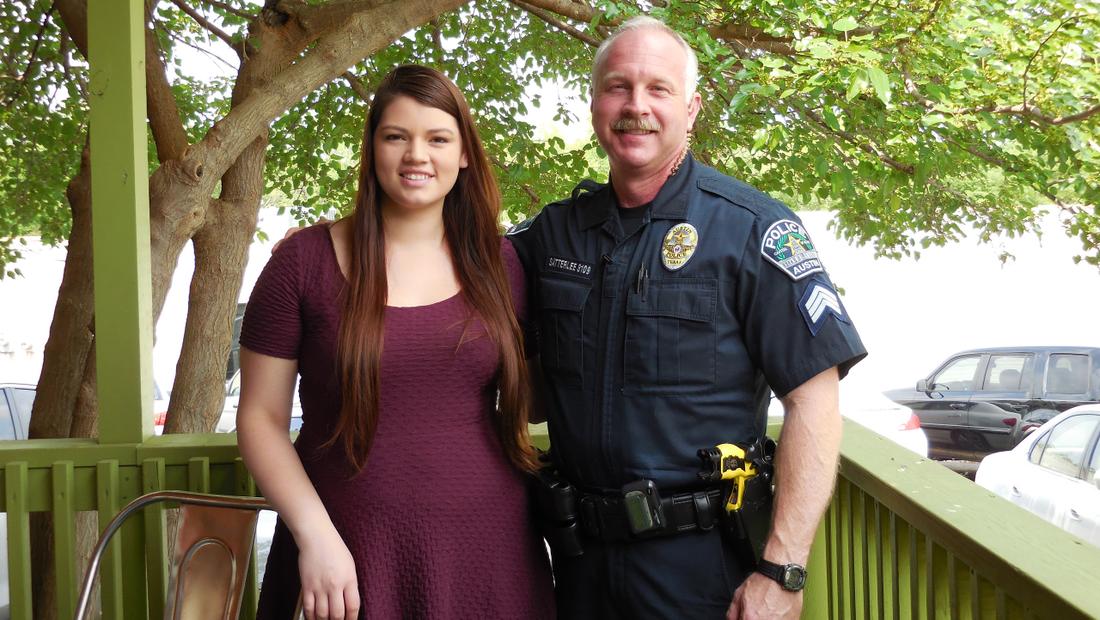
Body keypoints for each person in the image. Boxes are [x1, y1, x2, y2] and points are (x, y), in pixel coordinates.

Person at [507, 16, 867, 619]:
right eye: (618, 87)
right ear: (595, 103)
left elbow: (814, 403)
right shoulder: (552, 234)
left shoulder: (752, 230)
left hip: (702, 571)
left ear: (692, 108)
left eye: (658, 90)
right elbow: (446, 272)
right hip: (577, 566)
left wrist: (783, 569)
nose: (636, 107)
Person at [236, 64, 554, 620]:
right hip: (343, 557)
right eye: (396, 136)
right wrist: (315, 536)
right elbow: (261, 418)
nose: (416, 155)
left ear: (463, 155)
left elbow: (535, 395)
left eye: (437, 138)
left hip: (489, 552)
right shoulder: (302, 264)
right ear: (372, 148)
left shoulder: (503, 265)